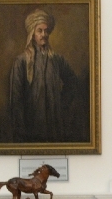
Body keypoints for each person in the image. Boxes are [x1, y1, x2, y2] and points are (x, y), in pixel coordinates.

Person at [8, 9, 79, 143]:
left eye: (46, 31)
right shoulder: (21, 61)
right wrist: (20, 129)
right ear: (32, 33)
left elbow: (72, 82)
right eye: (39, 31)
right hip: (31, 125)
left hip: (55, 124)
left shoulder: (57, 59)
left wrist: (61, 104)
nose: (44, 34)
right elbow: (16, 99)